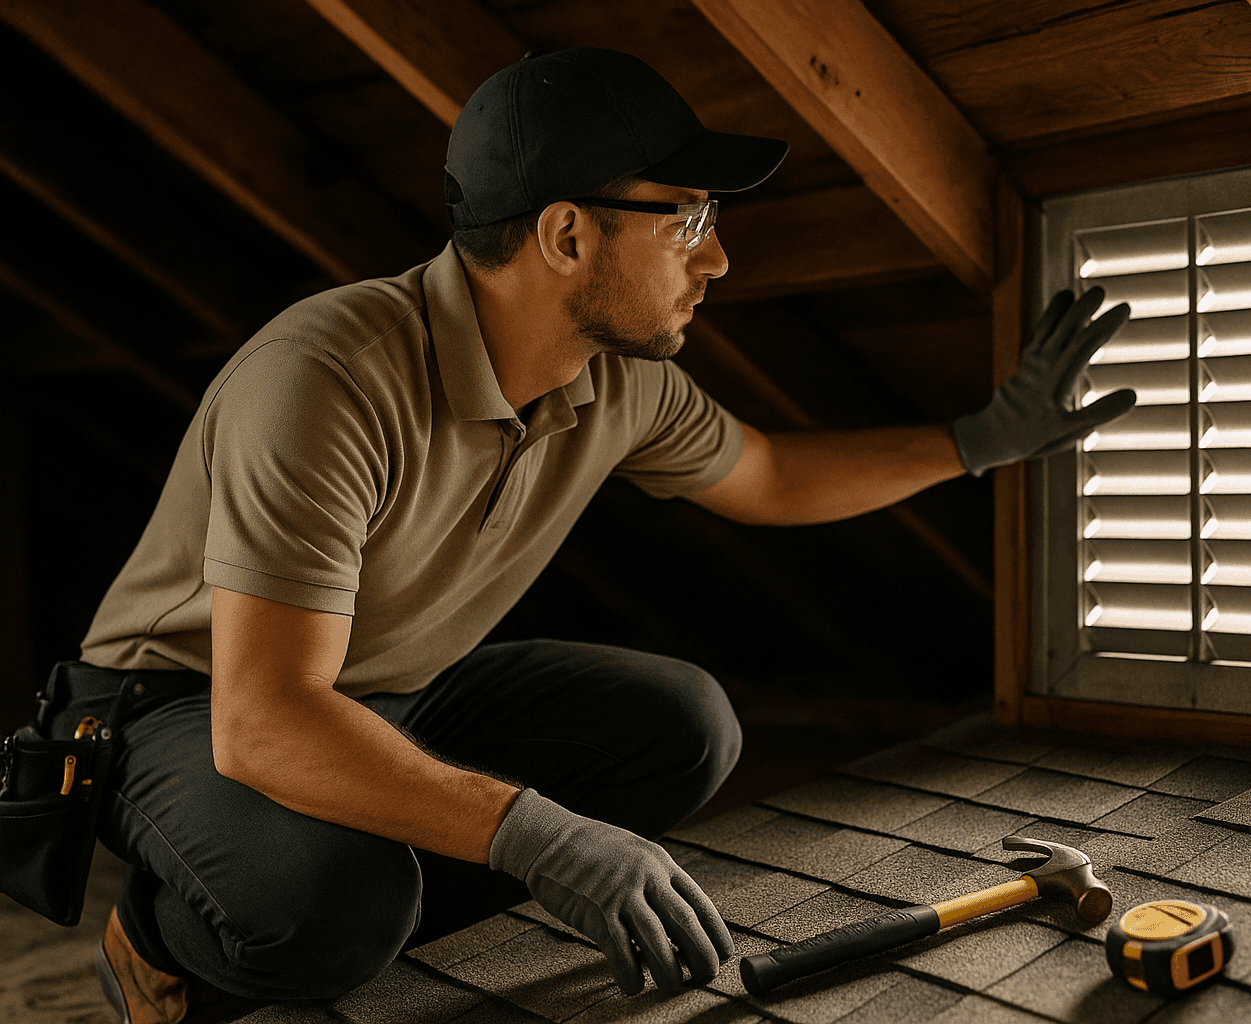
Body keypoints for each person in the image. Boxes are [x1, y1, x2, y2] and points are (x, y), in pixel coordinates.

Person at [67, 47, 1134, 1024]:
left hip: (381, 686)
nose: (715, 260)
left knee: (683, 724)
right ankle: (160, 941)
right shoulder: (327, 378)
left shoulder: (621, 380)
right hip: (180, 706)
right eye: (686, 219)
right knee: (333, 904)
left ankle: (391, 866)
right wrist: (540, 832)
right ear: (567, 234)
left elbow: (766, 474)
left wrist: (981, 440)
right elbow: (259, 721)